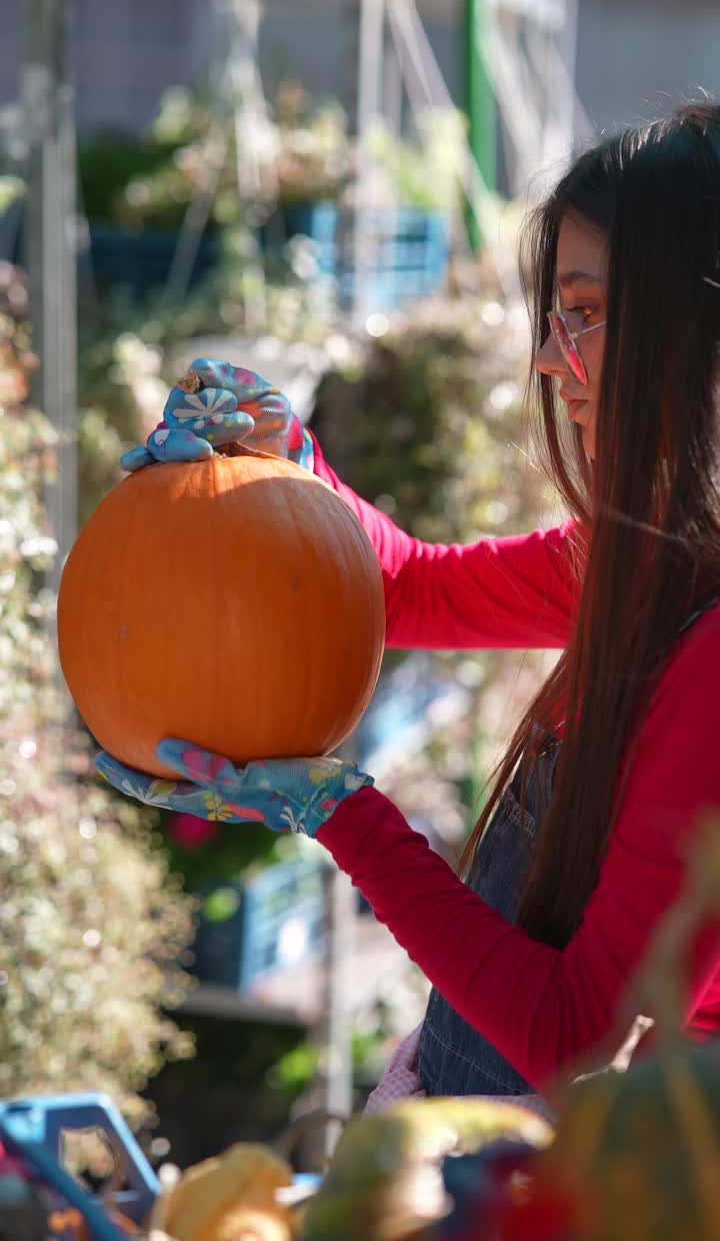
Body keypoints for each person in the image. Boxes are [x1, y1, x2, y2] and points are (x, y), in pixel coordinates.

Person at [97, 100, 720, 1111]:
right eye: (552, 316)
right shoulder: (647, 555)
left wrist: (345, 815)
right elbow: (411, 585)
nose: (555, 358)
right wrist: (287, 460)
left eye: (588, 311)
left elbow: (580, 1038)